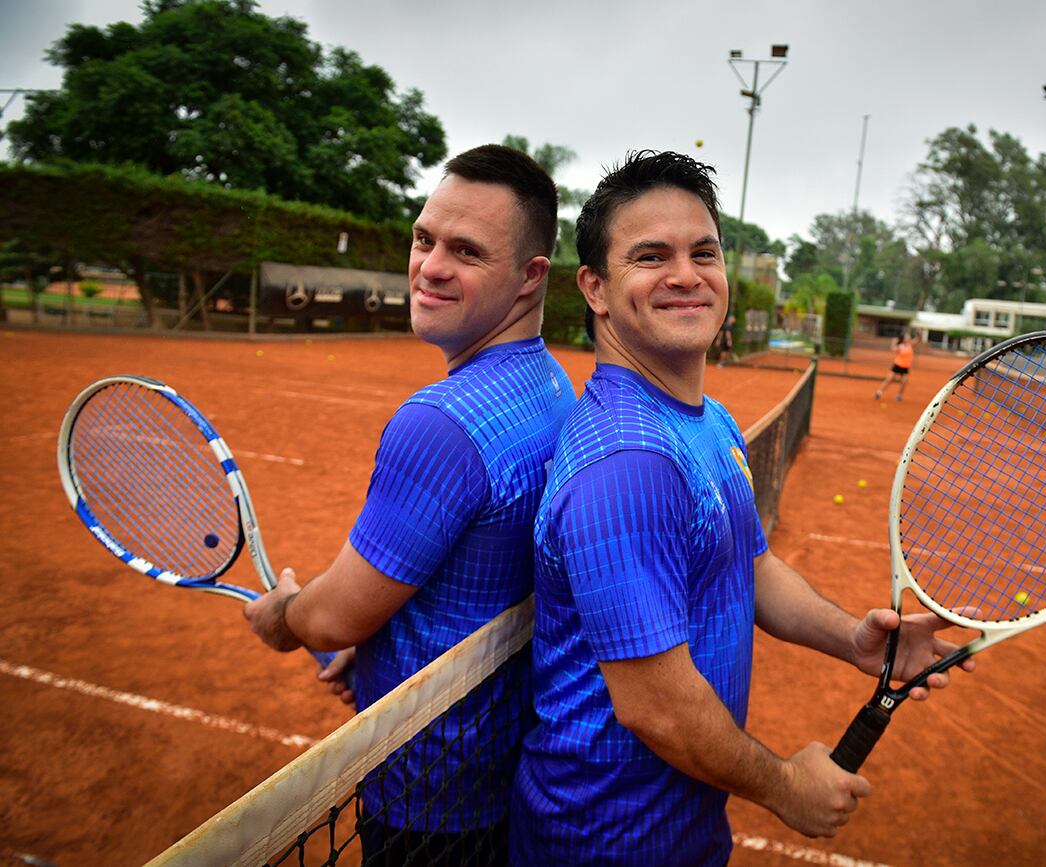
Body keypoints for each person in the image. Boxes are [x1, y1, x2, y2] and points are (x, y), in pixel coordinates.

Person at [511, 150, 973, 865]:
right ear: (596, 288)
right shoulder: (627, 465)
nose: (686, 274)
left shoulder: (706, 418)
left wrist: (854, 638)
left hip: (680, 828)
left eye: (704, 251)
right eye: (650, 256)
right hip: (604, 842)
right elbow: (656, 706)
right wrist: (784, 783)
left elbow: (750, 563)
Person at [244, 144, 577, 865]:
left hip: (429, 789)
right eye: (424, 239)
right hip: (497, 765)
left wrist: (283, 614)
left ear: (530, 277)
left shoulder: (441, 421)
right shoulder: (554, 387)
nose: (429, 265)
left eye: (465, 250)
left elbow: (334, 614)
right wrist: (372, 649)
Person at [874, 331, 914, 401]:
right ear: (903, 339)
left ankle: (899, 395)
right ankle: (879, 392)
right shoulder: (900, 346)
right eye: (907, 337)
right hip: (898, 365)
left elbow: (918, 340)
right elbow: (893, 349)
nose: (909, 338)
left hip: (905, 367)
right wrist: (893, 343)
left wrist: (920, 333)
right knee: (889, 379)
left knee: (904, 382)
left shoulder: (910, 345)